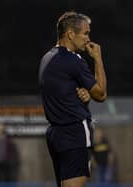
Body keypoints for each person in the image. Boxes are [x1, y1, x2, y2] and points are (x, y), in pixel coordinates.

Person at [39, 11, 107, 187]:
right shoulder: (73, 60)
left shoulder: (47, 58)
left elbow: (66, 93)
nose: (88, 38)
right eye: (85, 33)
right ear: (70, 33)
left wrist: (85, 95)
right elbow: (101, 94)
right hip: (74, 130)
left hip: (55, 134)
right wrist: (98, 59)